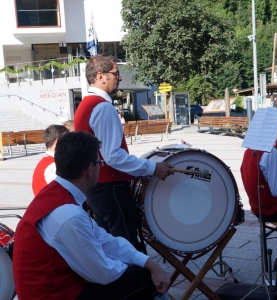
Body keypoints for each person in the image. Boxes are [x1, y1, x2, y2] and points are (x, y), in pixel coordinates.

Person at [13, 131, 170, 300]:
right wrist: (143, 268)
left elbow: (104, 240)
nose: (101, 166)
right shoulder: (68, 214)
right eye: (99, 162)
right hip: (53, 295)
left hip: (61, 287)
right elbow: (103, 273)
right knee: (143, 279)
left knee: (140, 272)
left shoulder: (59, 196)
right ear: (90, 169)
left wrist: (148, 262)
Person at [74, 54, 174, 250]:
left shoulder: (85, 105)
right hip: (111, 188)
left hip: (96, 188)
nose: (119, 78)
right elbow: (113, 156)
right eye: (116, 74)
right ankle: (135, 281)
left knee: (109, 245)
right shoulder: (102, 107)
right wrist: (152, 168)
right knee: (126, 244)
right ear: (101, 76)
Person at [240, 143, 277, 222]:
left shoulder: (249, 150)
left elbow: (266, 175)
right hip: (271, 210)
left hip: (257, 207)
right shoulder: (270, 152)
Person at [32, 124, 69, 196]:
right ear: (58, 142)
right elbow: (64, 192)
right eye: (67, 141)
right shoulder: (54, 166)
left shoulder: (45, 162)